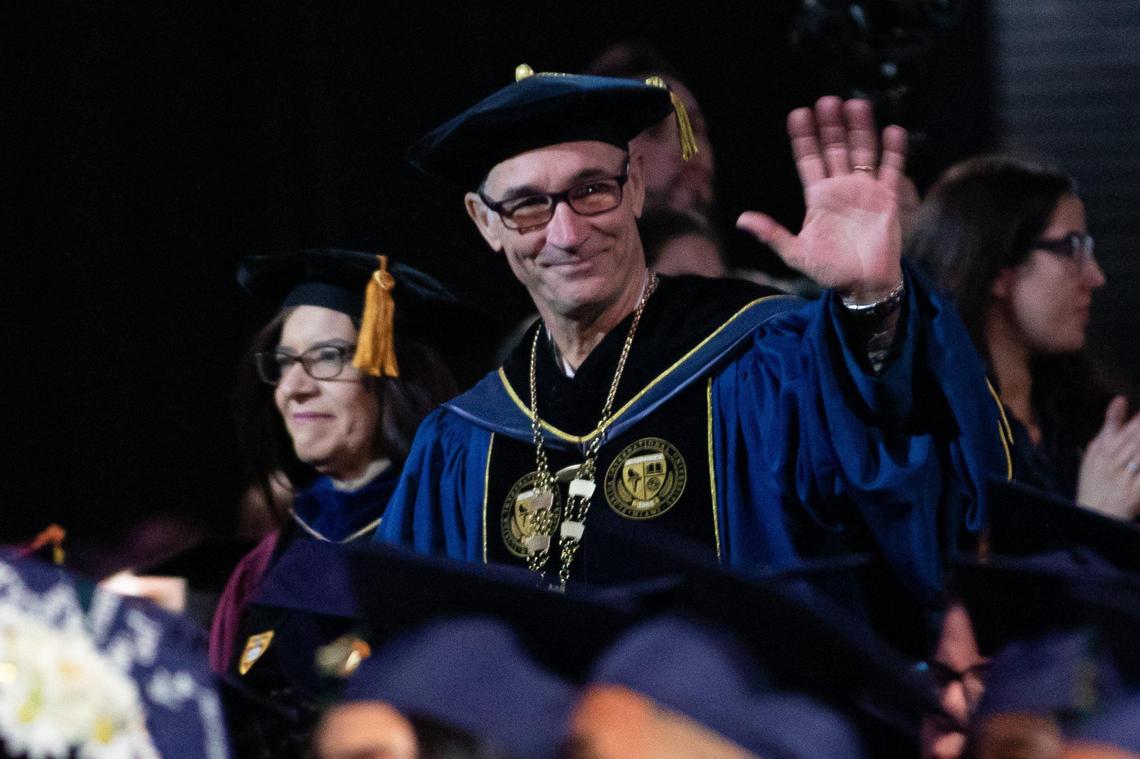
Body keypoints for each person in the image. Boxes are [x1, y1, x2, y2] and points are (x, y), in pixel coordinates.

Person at [376, 66, 1008, 603]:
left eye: (591, 190)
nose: (566, 234)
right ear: (485, 222)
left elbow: (912, 483)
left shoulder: (763, 358)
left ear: (637, 188)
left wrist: (872, 299)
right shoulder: (465, 442)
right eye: (528, 206)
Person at [209, 248, 457, 757]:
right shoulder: (262, 567)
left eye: (327, 357)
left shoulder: (451, 539)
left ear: (392, 372)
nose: (294, 388)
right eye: (282, 363)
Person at [907, 156, 1140, 520]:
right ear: (999, 268)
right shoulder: (936, 435)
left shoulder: (1080, 418)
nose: (1096, 276)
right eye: (1073, 249)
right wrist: (1097, 520)